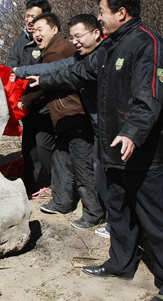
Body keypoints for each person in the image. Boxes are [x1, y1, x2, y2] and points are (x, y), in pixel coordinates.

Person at [35, 0, 163, 301]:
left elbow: (150, 98)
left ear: (121, 12)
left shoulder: (148, 45)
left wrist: (133, 132)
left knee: (156, 217)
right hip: (113, 150)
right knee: (119, 211)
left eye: (102, 12)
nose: (99, 18)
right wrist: (43, 80)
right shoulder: (110, 47)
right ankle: (121, 263)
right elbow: (77, 73)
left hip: (144, 152)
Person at [19, 14, 109, 235]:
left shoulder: (59, 50)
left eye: (40, 29)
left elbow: (57, 75)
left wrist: (23, 101)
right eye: (33, 30)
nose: (36, 34)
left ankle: (94, 212)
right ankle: (62, 201)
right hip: (64, 116)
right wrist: (20, 71)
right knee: (61, 159)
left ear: (54, 29)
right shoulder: (61, 51)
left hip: (75, 114)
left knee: (82, 164)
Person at [4, 0, 55, 197]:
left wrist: (26, 97)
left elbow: (45, 76)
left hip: (43, 104)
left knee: (44, 146)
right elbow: (11, 63)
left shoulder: (48, 42)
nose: (29, 20)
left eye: (34, 16)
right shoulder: (22, 39)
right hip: (25, 104)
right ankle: (30, 185)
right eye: (27, 16)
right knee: (29, 147)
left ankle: (55, 185)